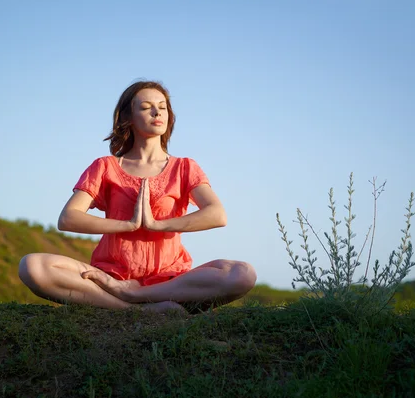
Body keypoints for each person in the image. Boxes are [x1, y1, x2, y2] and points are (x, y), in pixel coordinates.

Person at [19, 81, 257, 313]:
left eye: (162, 107)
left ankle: (136, 296)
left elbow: (217, 214)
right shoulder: (105, 166)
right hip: (110, 277)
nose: (157, 112)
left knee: (242, 274)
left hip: (170, 282)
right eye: (145, 107)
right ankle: (135, 310)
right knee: (33, 267)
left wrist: (156, 224)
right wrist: (128, 225)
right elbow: (68, 218)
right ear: (128, 118)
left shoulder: (184, 167)